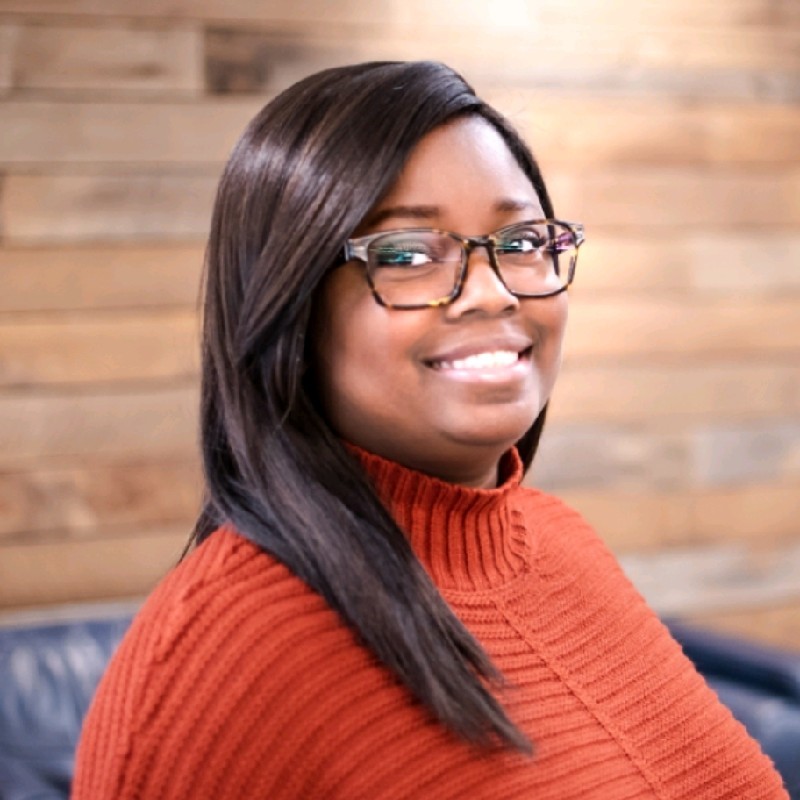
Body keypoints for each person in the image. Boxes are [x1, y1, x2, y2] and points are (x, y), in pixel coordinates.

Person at [72, 61, 788, 799]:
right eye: (408, 255)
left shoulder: (558, 541)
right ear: (289, 307)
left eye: (521, 242)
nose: (491, 292)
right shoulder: (216, 651)